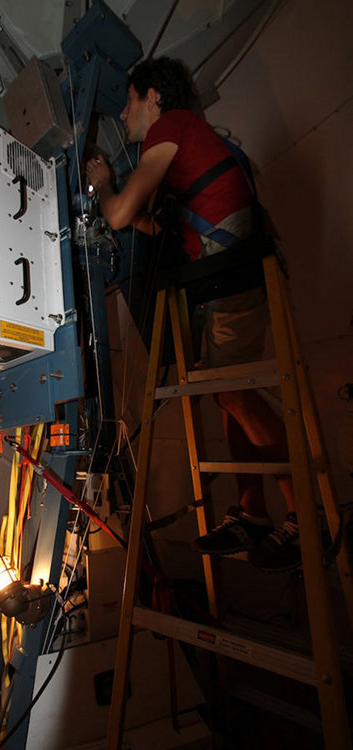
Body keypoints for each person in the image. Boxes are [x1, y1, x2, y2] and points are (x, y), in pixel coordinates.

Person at [85, 57, 301, 573]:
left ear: (154, 96)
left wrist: (104, 182)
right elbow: (160, 231)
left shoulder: (173, 126)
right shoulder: (186, 149)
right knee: (230, 401)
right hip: (226, 281)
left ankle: (305, 516)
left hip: (235, 281)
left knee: (234, 394)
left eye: (130, 98)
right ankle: (253, 516)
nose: (124, 109)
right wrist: (132, 212)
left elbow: (116, 214)